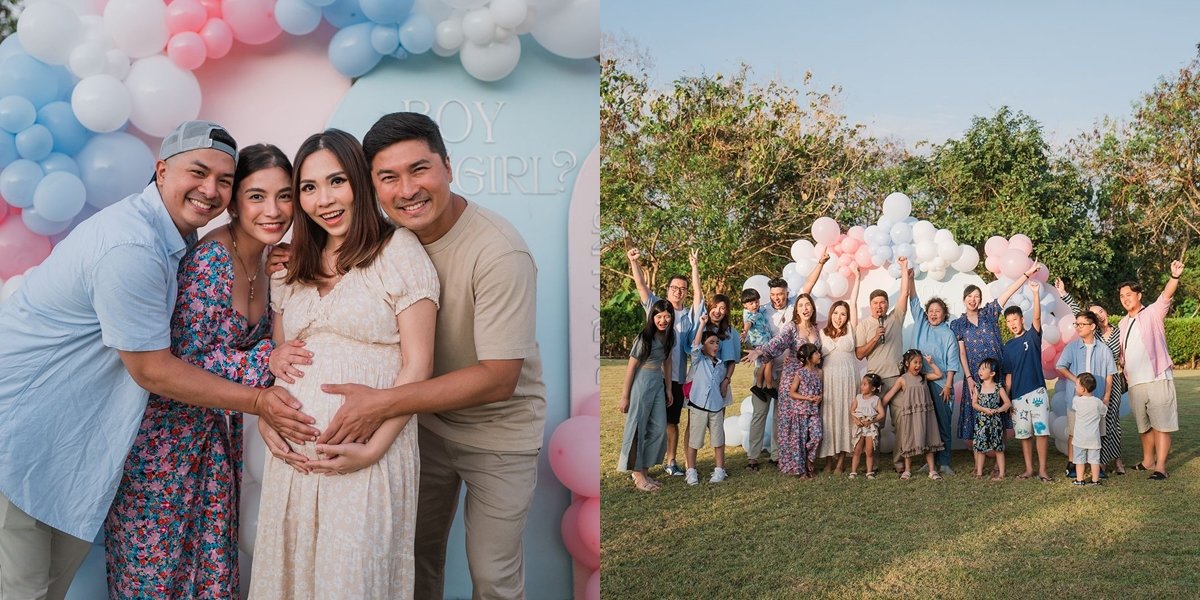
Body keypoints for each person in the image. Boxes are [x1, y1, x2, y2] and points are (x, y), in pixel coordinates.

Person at [0, 121, 312, 600]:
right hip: (23, 437)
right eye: (198, 172)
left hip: (82, 443)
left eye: (222, 180)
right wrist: (262, 394)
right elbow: (156, 367)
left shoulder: (175, 240)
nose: (209, 190)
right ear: (161, 170)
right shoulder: (136, 246)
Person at [265, 113, 549, 599]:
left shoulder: (496, 252)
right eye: (389, 177)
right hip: (424, 427)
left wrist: (382, 409)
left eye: (419, 170)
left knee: (492, 575)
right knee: (411, 561)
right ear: (373, 184)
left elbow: (500, 378)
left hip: (496, 431)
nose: (407, 189)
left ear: (448, 167)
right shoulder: (361, 243)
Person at [250, 129, 439, 599]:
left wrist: (376, 447)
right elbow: (282, 363)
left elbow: (418, 366)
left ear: (358, 180)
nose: (323, 200)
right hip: (292, 463)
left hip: (368, 455)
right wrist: (266, 417)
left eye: (336, 181)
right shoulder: (290, 267)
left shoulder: (398, 251)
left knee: (352, 582)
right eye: (309, 188)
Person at [104, 144, 295, 598]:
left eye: (284, 196)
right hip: (163, 445)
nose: (273, 210)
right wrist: (264, 359)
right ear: (233, 202)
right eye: (256, 196)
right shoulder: (210, 261)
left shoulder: (273, 260)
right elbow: (183, 359)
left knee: (210, 576)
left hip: (215, 439)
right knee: (154, 579)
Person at [742, 255, 825, 470]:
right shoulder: (762, 310)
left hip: (793, 372)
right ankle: (753, 455)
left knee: (784, 414)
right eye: (773, 295)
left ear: (787, 293)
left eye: (780, 294)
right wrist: (758, 351)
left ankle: (779, 455)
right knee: (760, 412)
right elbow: (759, 331)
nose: (777, 298)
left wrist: (820, 263)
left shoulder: (796, 310)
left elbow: (809, 285)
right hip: (768, 365)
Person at [625, 247, 702, 476]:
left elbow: (699, 297)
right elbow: (640, 286)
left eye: (682, 289)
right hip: (649, 376)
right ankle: (638, 466)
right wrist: (634, 262)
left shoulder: (688, 316)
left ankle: (670, 461)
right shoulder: (657, 307)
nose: (678, 292)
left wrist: (694, 268)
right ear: (667, 290)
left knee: (671, 422)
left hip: (675, 377)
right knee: (647, 420)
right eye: (674, 288)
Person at [950, 266, 1037, 449]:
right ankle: (980, 453)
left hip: (997, 371)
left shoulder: (989, 313)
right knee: (977, 412)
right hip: (975, 375)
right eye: (969, 296)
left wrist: (1027, 273)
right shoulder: (958, 324)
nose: (973, 300)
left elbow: (1009, 291)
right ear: (964, 299)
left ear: (980, 299)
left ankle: (1000, 451)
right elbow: (962, 353)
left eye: (976, 296)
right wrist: (969, 378)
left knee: (1000, 410)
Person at [1117, 260, 1185, 481]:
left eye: (1129, 294)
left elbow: (1166, 295)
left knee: (1161, 424)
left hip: (1157, 378)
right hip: (1135, 383)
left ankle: (1161, 467)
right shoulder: (1122, 324)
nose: (1125, 299)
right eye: (1122, 296)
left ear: (1139, 295)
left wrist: (1174, 277)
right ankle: (1148, 461)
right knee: (1143, 425)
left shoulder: (1153, 313)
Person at [1054, 278, 1126, 474]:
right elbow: (1079, 314)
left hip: (1107, 386)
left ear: (1106, 313)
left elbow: (1119, 361)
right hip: (1081, 390)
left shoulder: (1117, 333)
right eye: (1094, 314)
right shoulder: (1086, 338)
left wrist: (1108, 393)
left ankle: (1107, 461)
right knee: (1078, 428)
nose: (1098, 316)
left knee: (1109, 424)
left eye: (1100, 311)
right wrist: (1064, 293)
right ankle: (1079, 463)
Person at [854, 255, 911, 472]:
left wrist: (904, 268)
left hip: (896, 379)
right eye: (876, 303)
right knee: (873, 425)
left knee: (901, 423)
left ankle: (898, 462)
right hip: (874, 383)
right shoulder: (865, 325)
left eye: (883, 302)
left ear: (887, 304)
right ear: (870, 306)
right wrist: (876, 338)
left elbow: (904, 293)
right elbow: (859, 354)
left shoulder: (896, 317)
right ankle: (872, 465)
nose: (879, 306)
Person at [906, 266, 961, 475]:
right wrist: (910, 279)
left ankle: (944, 462)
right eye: (931, 311)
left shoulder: (948, 334)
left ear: (944, 314)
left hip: (940, 386)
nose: (933, 314)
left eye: (938, 311)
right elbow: (913, 301)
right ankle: (929, 462)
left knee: (943, 424)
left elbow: (953, 363)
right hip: (921, 383)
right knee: (926, 425)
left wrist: (948, 386)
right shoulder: (921, 324)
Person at [617, 301, 676, 491]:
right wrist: (625, 396)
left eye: (667, 316)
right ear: (652, 317)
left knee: (659, 429)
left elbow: (667, 362)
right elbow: (631, 367)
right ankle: (638, 474)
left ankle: (645, 470)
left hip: (657, 383)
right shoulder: (645, 338)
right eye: (659, 316)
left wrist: (668, 388)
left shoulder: (669, 335)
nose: (663, 320)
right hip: (642, 382)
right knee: (638, 428)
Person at [1002, 280, 1053, 482]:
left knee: (1041, 432)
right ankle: (1029, 469)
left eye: (1015, 319)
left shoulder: (1032, 336)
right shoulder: (1008, 346)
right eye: (1009, 321)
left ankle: (1042, 470)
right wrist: (1007, 398)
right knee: (1023, 435)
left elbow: (1038, 317)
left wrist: (1035, 294)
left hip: (1037, 393)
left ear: (1022, 319)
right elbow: (1009, 375)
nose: (1013, 323)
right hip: (1018, 398)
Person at [817, 270, 862, 474]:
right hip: (829, 380)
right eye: (836, 313)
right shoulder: (822, 334)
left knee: (845, 416)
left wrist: (858, 279)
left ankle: (842, 459)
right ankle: (828, 459)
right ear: (831, 314)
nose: (839, 317)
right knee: (828, 417)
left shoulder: (851, 329)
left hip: (848, 378)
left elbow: (852, 303)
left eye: (842, 314)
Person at [881, 349, 945, 480]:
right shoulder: (902, 379)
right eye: (915, 362)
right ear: (906, 363)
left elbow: (938, 374)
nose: (918, 365)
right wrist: (877, 407)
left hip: (925, 414)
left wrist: (931, 363)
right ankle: (907, 470)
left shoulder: (924, 377)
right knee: (908, 441)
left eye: (920, 362)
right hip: (910, 415)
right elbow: (888, 396)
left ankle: (932, 470)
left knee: (928, 439)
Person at [684, 320, 729, 486]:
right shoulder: (698, 360)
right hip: (698, 407)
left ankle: (719, 469)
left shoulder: (721, 364)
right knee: (694, 441)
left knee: (718, 439)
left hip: (716, 407)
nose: (715, 346)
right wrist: (702, 325)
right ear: (704, 346)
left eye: (717, 342)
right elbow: (695, 346)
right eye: (711, 342)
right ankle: (691, 471)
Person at [782, 343, 824, 478]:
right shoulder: (800, 373)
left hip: (813, 411)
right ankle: (802, 470)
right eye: (816, 353)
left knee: (816, 435)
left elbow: (821, 392)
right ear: (808, 357)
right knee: (799, 440)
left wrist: (819, 397)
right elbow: (792, 393)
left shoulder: (819, 373)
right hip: (800, 411)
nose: (819, 355)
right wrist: (807, 398)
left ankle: (809, 460)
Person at [969, 358, 1010, 481]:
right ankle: (979, 472)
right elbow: (974, 404)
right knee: (980, 448)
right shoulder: (978, 387)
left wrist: (998, 410)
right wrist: (985, 410)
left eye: (983, 369)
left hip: (995, 422)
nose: (980, 371)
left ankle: (1001, 473)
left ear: (992, 373)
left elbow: (1007, 403)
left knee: (998, 447)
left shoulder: (998, 388)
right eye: (979, 369)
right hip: (982, 422)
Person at [1071, 373, 1106, 486]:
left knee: (1079, 460)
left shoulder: (1076, 400)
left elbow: (1075, 408)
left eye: (1076, 385)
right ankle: (1095, 481)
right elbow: (1103, 411)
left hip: (1079, 438)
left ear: (1083, 389)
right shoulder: (1097, 402)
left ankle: (1080, 480)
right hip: (1093, 438)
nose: (1075, 387)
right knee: (1094, 460)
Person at [848, 373, 884, 479]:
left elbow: (882, 414)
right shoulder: (858, 397)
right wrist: (855, 419)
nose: (861, 386)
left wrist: (872, 421)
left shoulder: (876, 399)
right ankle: (853, 471)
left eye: (865, 384)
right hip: (859, 427)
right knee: (857, 449)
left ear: (873, 388)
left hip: (870, 428)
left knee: (869, 450)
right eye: (862, 384)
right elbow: (852, 410)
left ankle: (869, 472)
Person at [741, 288, 774, 400]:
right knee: (768, 363)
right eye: (751, 303)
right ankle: (768, 387)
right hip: (760, 344)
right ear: (745, 305)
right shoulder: (750, 315)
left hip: (764, 342)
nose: (755, 305)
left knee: (764, 364)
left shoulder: (758, 311)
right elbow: (748, 324)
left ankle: (758, 386)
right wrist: (744, 333)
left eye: (757, 302)